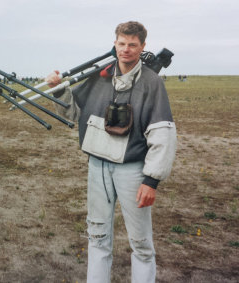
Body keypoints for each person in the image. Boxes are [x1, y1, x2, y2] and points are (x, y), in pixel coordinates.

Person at [46, 21, 177, 283]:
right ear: (114, 43)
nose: (126, 49)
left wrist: (151, 181)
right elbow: (74, 113)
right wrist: (60, 89)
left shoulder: (152, 84)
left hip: (132, 171)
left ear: (142, 47)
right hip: (97, 166)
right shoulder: (98, 77)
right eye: (121, 43)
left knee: (141, 244)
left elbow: (163, 134)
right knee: (97, 238)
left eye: (132, 44)